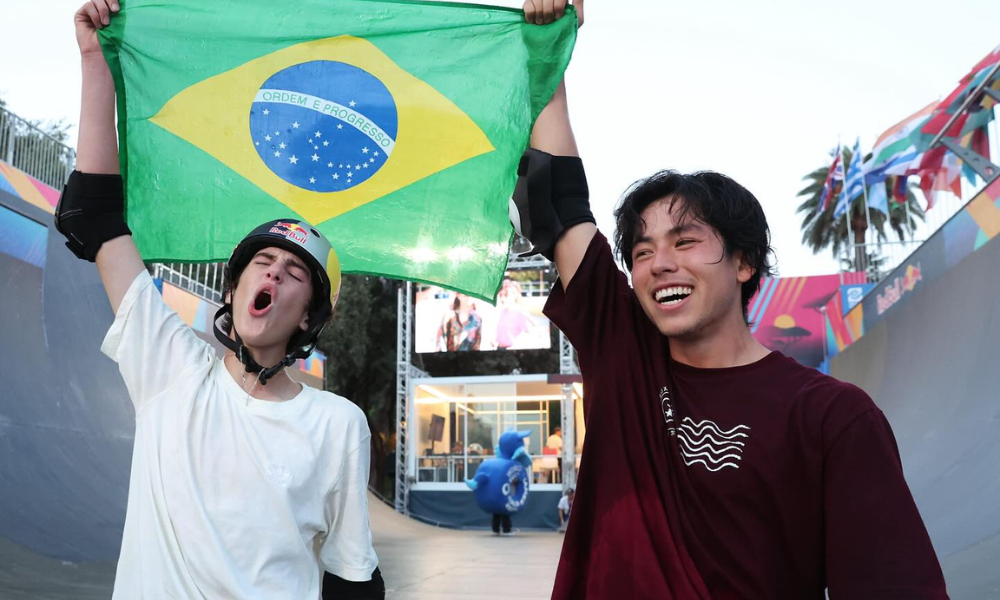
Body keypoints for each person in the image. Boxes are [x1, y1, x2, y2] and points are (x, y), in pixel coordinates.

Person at [515, 1, 950, 599]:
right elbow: (560, 200)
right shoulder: (624, 356)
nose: (660, 263)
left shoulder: (832, 418)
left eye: (686, 242)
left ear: (745, 262)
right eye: (642, 252)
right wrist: (548, 52)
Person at [56, 2, 384, 598]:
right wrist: (94, 61)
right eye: (262, 264)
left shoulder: (338, 425)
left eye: (293, 274)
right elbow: (93, 217)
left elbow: (352, 576)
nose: (274, 275)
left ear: (308, 315)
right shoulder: (168, 369)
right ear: (234, 290)